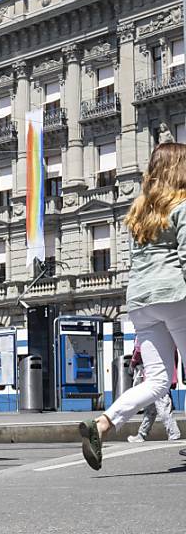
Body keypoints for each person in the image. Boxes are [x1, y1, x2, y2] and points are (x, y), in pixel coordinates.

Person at [79, 143, 186, 470]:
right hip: (174, 294)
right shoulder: (183, 204)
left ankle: (103, 424)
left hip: (140, 300)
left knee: (157, 379)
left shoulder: (138, 210)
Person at [126, 344, 181, 442]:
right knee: (150, 408)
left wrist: (133, 363)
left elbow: (138, 349)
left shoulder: (147, 332)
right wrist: (173, 375)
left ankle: (173, 433)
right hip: (162, 375)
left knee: (162, 407)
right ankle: (142, 433)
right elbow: (175, 357)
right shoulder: (168, 337)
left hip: (155, 376)